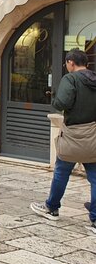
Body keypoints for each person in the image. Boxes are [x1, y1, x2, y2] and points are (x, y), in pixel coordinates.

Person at [31, 48, 96, 234]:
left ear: (70, 62)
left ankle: (52, 207)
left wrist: (56, 99)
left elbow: (62, 103)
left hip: (73, 135)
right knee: (95, 177)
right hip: (93, 134)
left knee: (61, 171)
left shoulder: (71, 79)